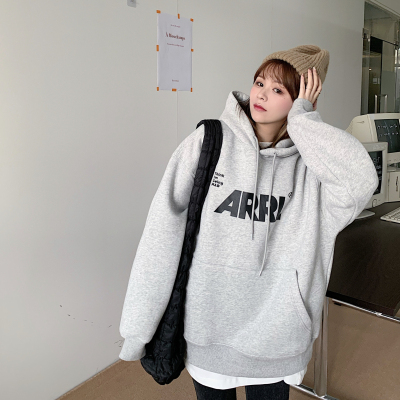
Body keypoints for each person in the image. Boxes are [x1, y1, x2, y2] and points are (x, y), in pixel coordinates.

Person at [118, 45, 379, 400]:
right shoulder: (208, 143)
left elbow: (362, 181)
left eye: (278, 89)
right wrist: (138, 326)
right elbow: (161, 232)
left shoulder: (313, 169)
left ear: (301, 99)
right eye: (259, 82)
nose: (262, 95)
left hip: (277, 340)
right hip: (209, 333)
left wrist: (304, 120)